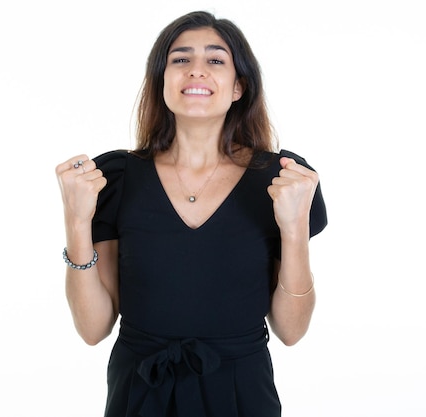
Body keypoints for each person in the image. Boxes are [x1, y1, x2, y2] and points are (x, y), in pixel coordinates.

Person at [55, 10, 327, 417]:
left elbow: (291, 330)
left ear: (238, 86)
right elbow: (93, 330)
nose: (196, 70)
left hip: (242, 393)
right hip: (140, 391)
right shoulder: (116, 176)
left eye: (215, 60)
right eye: (180, 59)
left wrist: (294, 230)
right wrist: (76, 222)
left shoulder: (281, 179)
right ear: (162, 81)